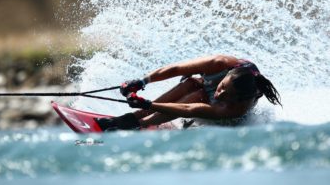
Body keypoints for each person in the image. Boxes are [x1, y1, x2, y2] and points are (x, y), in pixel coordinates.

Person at [96, 54, 281, 130]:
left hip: (230, 121)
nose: (220, 93)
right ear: (227, 74)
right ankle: (135, 117)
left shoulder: (237, 108)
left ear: (236, 99)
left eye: (226, 95)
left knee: (195, 96)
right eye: (222, 86)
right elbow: (176, 69)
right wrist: (141, 81)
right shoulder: (220, 63)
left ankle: (141, 123)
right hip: (203, 89)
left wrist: (149, 103)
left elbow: (190, 108)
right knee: (190, 83)